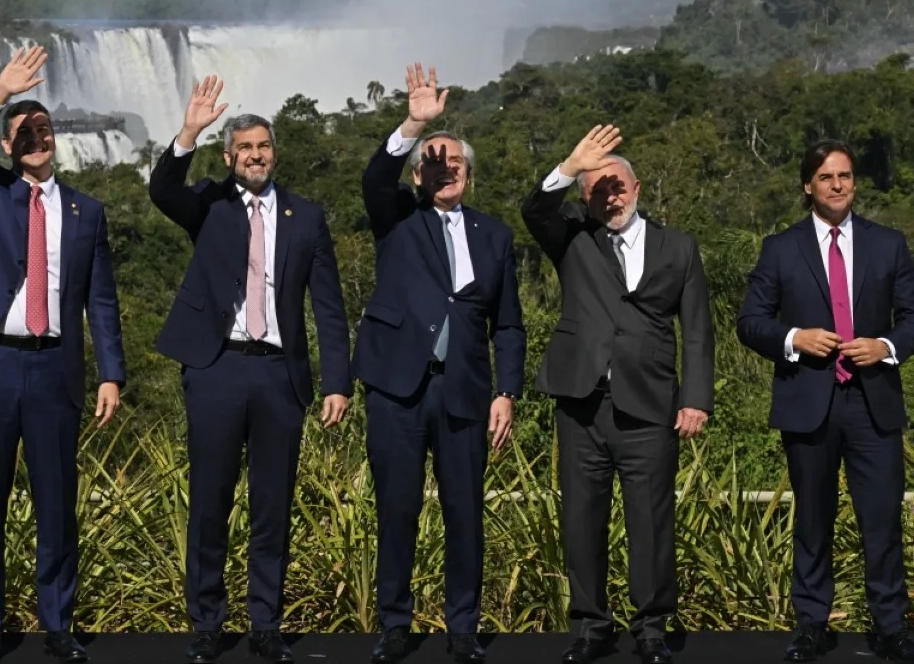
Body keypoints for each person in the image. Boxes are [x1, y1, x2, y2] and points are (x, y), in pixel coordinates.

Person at [0, 46, 126, 664]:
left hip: (54, 367)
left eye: (43, 129)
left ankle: (57, 622)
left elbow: (101, 299)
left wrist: (111, 373)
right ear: (8, 145)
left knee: (56, 500)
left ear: (55, 138)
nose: (36, 138)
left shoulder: (85, 210)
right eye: (23, 132)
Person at [148, 74, 352, 664]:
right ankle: (206, 624)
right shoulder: (207, 204)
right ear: (229, 156)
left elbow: (330, 307)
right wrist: (189, 129)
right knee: (210, 501)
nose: (255, 156)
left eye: (263, 147)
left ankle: (266, 623)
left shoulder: (305, 216)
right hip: (216, 368)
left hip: (278, 376)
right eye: (244, 149)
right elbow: (163, 189)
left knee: (273, 505)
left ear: (273, 153)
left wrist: (336, 380)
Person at [520, 125, 714, 664]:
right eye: (598, 189)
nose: (611, 195)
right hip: (581, 404)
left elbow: (697, 330)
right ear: (585, 198)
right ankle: (590, 626)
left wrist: (695, 398)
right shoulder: (574, 239)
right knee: (582, 517)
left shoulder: (679, 247)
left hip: (651, 406)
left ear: (637, 186)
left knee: (651, 521)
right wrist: (570, 164)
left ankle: (651, 627)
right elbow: (534, 211)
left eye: (617, 185)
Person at [353, 63, 526, 664]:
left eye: (454, 163)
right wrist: (414, 125)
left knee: (464, 514)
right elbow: (376, 179)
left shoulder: (496, 237)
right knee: (396, 509)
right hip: (398, 391)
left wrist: (506, 391)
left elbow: (508, 322)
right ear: (420, 175)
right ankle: (394, 626)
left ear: (469, 176)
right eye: (433, 162)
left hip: (465, 393)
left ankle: (462, 628)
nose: (444, 169)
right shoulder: (399, 215)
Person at [737, 140, 914, 663]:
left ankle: (890, 627)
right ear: (807, 186)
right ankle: (812, 625)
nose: (838, 185)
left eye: (846, 175)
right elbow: (750, 322)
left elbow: (912, 319)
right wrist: (795, 338)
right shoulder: (780, 248)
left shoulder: (890, 245)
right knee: (812, 520)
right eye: (826, 177)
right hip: (809, 401)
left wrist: (884, 346)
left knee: (881, 521)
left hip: (873, 402)